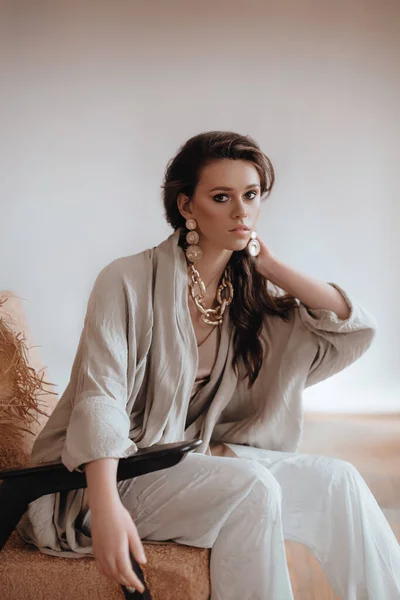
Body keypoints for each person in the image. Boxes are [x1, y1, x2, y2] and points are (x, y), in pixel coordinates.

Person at [17, 131, 400, 599]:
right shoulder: (126, 280)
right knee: (253, 488)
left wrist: (272, 267)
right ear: (186, 206)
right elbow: (100, 397)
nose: (242, 212)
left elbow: (352, 330)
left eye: (252, 195)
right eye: (222, 197)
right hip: (107, 474)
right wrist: (107, 502)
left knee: (337, 480)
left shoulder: (240, 298)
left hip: (182, 459)